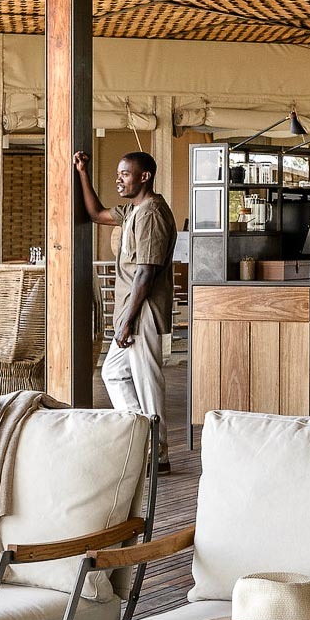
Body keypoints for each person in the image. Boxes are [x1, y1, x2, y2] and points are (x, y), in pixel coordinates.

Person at [75, 149, 177, 469]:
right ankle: (141, 437)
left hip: (142, 310)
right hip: (129, 311)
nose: (119, 179)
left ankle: (157, 453)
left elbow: (146, 272)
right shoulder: (133, 211)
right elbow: (95, 213)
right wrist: (82, 172)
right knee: (114, 372)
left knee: (147, 380)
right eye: (118, 173)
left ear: (144, 176)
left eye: (125, 174)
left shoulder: (151, 214)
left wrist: (127, 321)